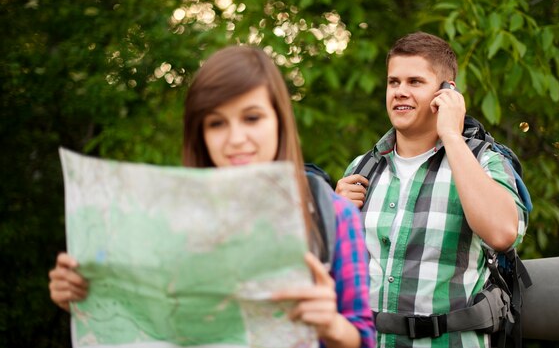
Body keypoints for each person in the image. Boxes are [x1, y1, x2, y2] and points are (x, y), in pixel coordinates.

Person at [49, 45, 375, 348]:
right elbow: (148, 320)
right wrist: (86, 298)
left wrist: (330, 324)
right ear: (200, 134)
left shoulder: (330, 212)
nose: (236, 138)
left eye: (252, 117)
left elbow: (363, 338)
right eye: (216, 123)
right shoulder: (165, 217)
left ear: (279, 119)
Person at [335, 32, 528, 348]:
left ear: (446, 92)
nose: (400, 92)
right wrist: (335, 215)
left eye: (414, 82)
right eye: (393, 82)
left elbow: (503, 233)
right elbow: (333, 269)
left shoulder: (482, 160)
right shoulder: (361, 167)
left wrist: (451, 135)